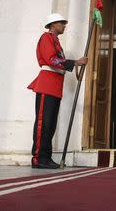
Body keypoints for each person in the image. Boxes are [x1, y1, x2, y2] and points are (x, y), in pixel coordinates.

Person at [28, 13, 88, 169]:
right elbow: (51, 60)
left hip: (55, 84)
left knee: (51, 124)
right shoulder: (46, 38)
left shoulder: (56, 41)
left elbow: (58, 60)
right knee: (43, 123)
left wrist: (74, 64)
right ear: (53, 24)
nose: (64, 25)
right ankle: (38, 158)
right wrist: (75, 62)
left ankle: (46, 158)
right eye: (62, 23)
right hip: (47, 83)